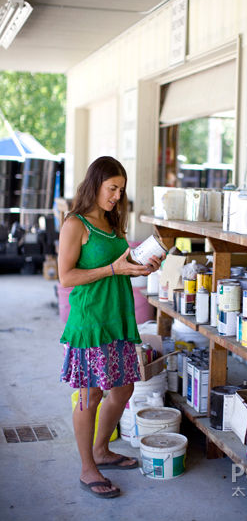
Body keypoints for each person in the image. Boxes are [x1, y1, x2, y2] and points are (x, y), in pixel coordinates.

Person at [58, 156, 164, 499]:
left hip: (118, 319)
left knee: (122, 390)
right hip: (91, 322)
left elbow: (121, 263)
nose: (118, 195)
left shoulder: (111, 222)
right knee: (91, 395)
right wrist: (115, 271)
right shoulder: (75, 224)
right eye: (112, 188)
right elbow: (66, 277)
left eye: (121, 189)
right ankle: (88, 467)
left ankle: (102, 449)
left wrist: (141, 266)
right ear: (96, 184)